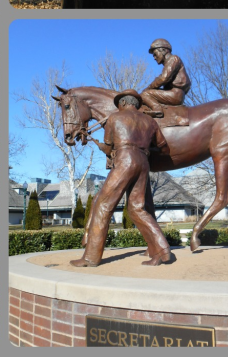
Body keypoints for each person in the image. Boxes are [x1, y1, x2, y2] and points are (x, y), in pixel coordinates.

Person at [70, 90, 172, 267]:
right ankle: (161, 249)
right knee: (137, 209)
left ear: (123, 103)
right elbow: (163, 148)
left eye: (118, 104)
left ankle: (90, 258)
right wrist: (145, 150)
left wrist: (100, 144)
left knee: (103, 205)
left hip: (125, 160)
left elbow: (110, 149)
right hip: (143, 163)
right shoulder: (149, 121)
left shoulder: (114, 118)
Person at [139, 38, 190, 115]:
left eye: (155, 54)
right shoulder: (168, 64)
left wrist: (147, 89)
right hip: (174, 93)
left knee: (145, 94)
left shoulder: (173, 59)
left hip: (175, 94)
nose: (154, 58)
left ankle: (157, 109)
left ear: (163, 50)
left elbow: (163, 78)